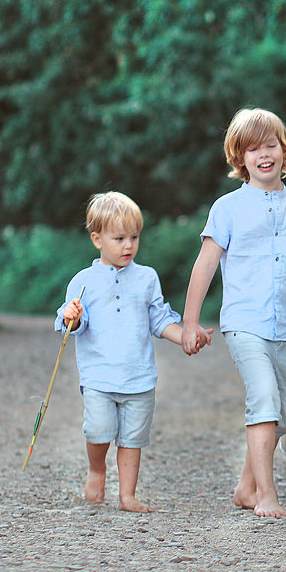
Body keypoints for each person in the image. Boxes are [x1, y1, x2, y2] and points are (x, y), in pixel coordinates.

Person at [182, 107, 286, 518]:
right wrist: (190, 322)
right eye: (252, 149)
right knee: (264, 397)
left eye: (270, 145)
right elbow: (205, 264)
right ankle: (267, 496)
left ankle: (246, 488)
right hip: (244, 322)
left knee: (283, 414)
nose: (263, 154)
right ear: (239, 158)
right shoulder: (228, 208)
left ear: (284, 151)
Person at [57, 191, 211, 513]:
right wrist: (71, 317)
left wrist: (184, 336)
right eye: (119, 238)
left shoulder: (147, 278)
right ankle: (97, 469)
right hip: (99, 376)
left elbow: (159, 319)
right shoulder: (83, 282)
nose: (128, 245)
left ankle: (127, 495)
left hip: (139, 377)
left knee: (132, 439)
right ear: (97, 239)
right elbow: (71, 325)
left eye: (134, 237)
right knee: (98, 430)